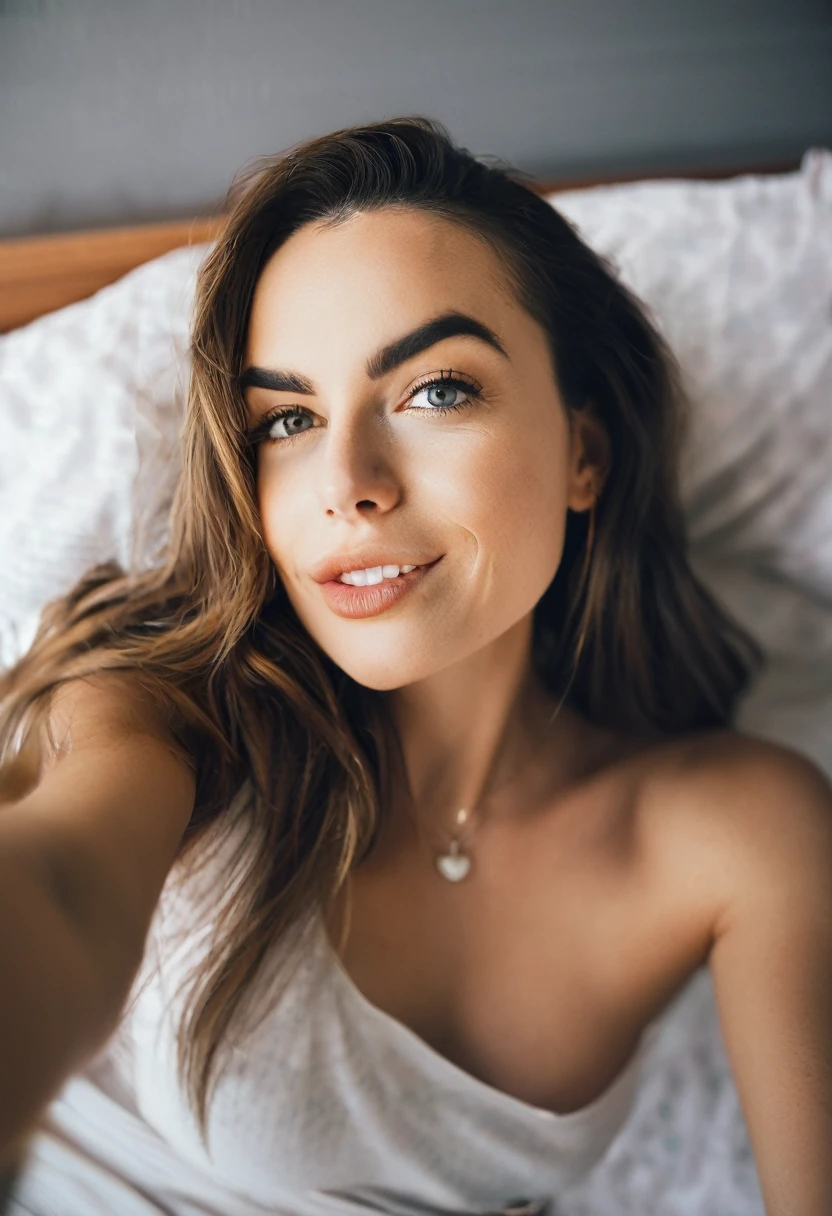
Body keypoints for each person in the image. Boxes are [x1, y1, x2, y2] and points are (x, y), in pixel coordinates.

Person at [0, 116, 830, 1216]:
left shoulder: (733, 826)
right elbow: (57, 889)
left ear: (583, 451)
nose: (346, 479)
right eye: (287, 418)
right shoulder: (165, 710)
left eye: (435, 390)